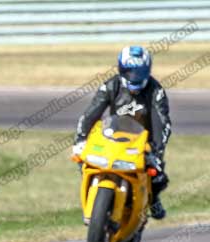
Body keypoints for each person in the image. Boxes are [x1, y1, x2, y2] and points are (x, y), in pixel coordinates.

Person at [73, 45, 172, 219]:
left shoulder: (156, 91)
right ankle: (93, 204)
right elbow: (91, 113)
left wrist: (156, 150)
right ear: (121, 69)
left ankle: (153, 199)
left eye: (139, 72)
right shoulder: (111, 85)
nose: (134, 77)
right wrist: (81, 139)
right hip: (113, 136)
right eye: (129, 71)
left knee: (158, 177)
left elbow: (163, 123)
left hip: (144, 143)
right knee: (85, 162)